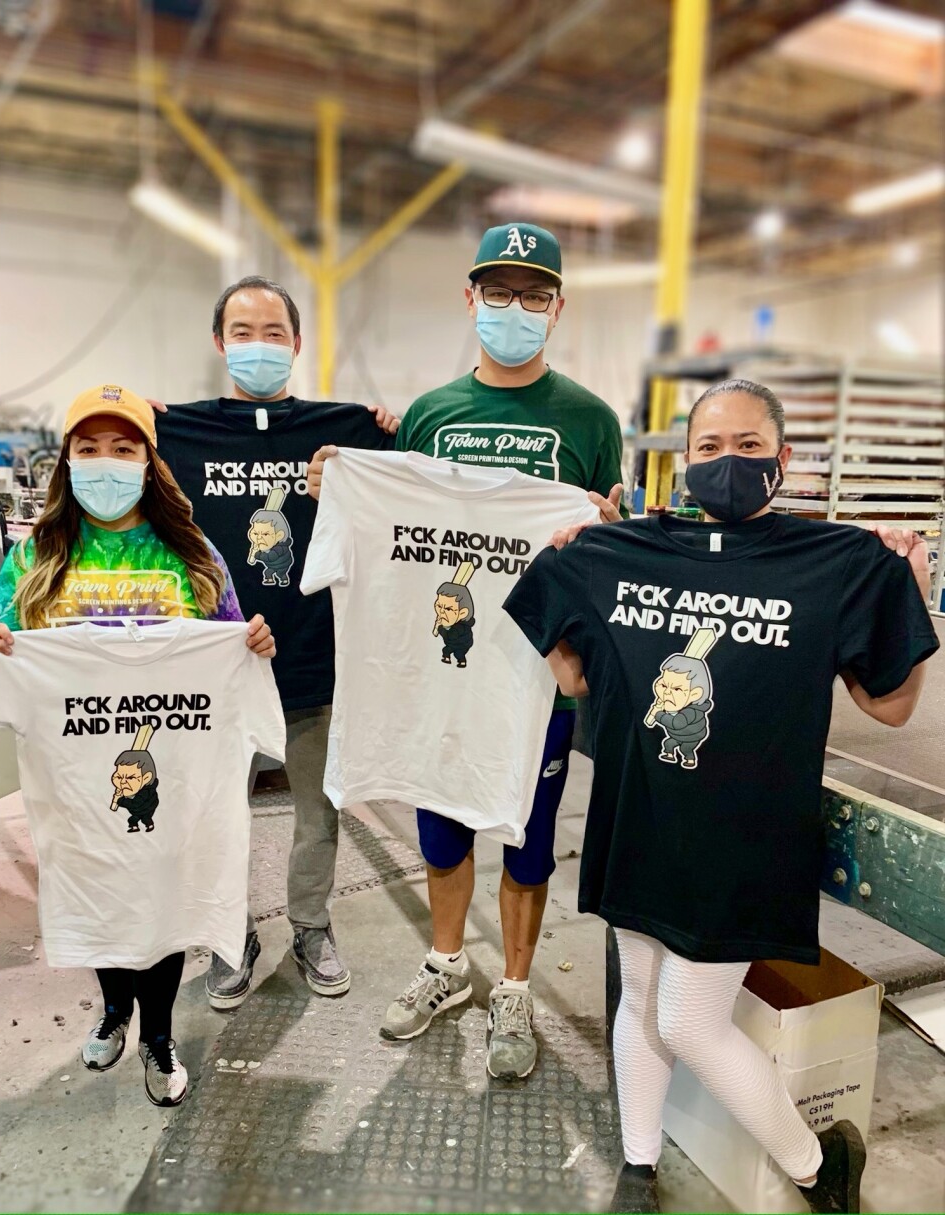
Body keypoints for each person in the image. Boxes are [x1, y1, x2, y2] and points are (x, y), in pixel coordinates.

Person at [503, 378, 938, 1213]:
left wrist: (909, 584)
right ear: (684, 459)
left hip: (746, 837)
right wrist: (573, 558)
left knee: (689, 1021)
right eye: (709, 446)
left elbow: (892, 705)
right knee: (641, 997)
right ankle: (638, 1167)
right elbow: (573, 674)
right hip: (640, 818)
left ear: (783, 458)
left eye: (748, 446)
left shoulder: (832, 563)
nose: (727, 461)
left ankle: (818, 1164)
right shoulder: (619, 551)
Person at [307, 222, 625, 1080]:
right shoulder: (430, 415)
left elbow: (608, 547)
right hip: (441, 668)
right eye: (499, 291)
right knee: (442, 825)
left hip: (534, 672)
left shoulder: (591, 420)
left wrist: (608, 527)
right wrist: (340, 485)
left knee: (529, 838)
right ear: (470, 297)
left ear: (557, 307)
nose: (514, 308)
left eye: (533, 294)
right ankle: (447, 964)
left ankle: (514, 986)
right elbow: (397, 523)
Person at [0, 383, 276, 1107]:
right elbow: (1, 648)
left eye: (123, 447)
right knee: (99, 891)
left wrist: (252, 644)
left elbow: (230, 640)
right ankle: (115, 1008)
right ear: (67, 459)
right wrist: (0, 648)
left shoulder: (193, 552)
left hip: (170, 774)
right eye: (89, 447)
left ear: (149, 460)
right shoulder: (34, 556)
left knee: (164, 901)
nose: (105, 461)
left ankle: (158, 1034)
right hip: (76, 778)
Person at [154, 276, 398, 1009]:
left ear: (295, 343)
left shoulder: (345, 430)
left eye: (272, 333)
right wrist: (134, 418)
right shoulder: (175, 433)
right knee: (214, 818)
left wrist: (391, 426)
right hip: (217, 669)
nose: (257, 346)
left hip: (312, 656)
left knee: (317, 814)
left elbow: (410, 477)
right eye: (243, 332)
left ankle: (311, 927)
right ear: (219, 342)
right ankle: (231, 936)